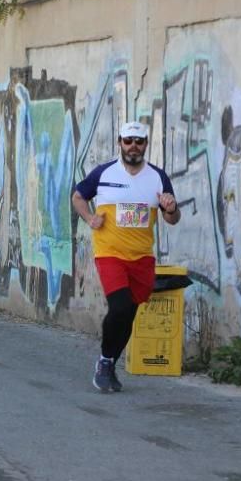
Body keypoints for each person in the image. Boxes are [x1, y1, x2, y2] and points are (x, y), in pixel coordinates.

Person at [71, 121, 182, 393]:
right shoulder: (104, 172)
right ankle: (105, 362)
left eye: (139, 141)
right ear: (120, 142)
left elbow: (172, 219)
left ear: (146, 144)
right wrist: (89, 218)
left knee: (128, 315)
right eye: (128, 140)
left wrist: (170, 208)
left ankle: (108, 362)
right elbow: (77, 196)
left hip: (142, 257)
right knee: (119, 307)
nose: (134, 146)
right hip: (110, 253)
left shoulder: (158, 177)